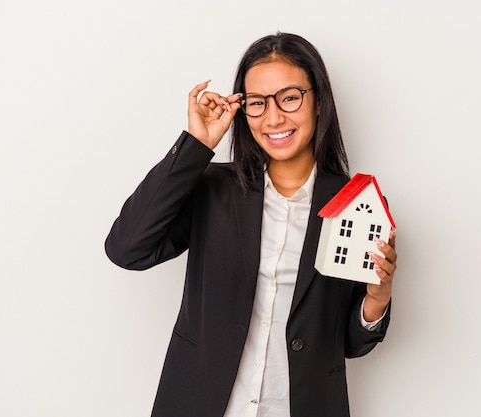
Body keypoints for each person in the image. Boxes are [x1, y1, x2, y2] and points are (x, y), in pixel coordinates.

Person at [105, 32, 397, 417]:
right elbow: (127, 249)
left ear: (320, 102)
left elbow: (349, 343)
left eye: (290, 98)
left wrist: (377, 299)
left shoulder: (357, 202)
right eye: (257, 103)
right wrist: (196, 144)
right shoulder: (212, 188)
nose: (274, 117)